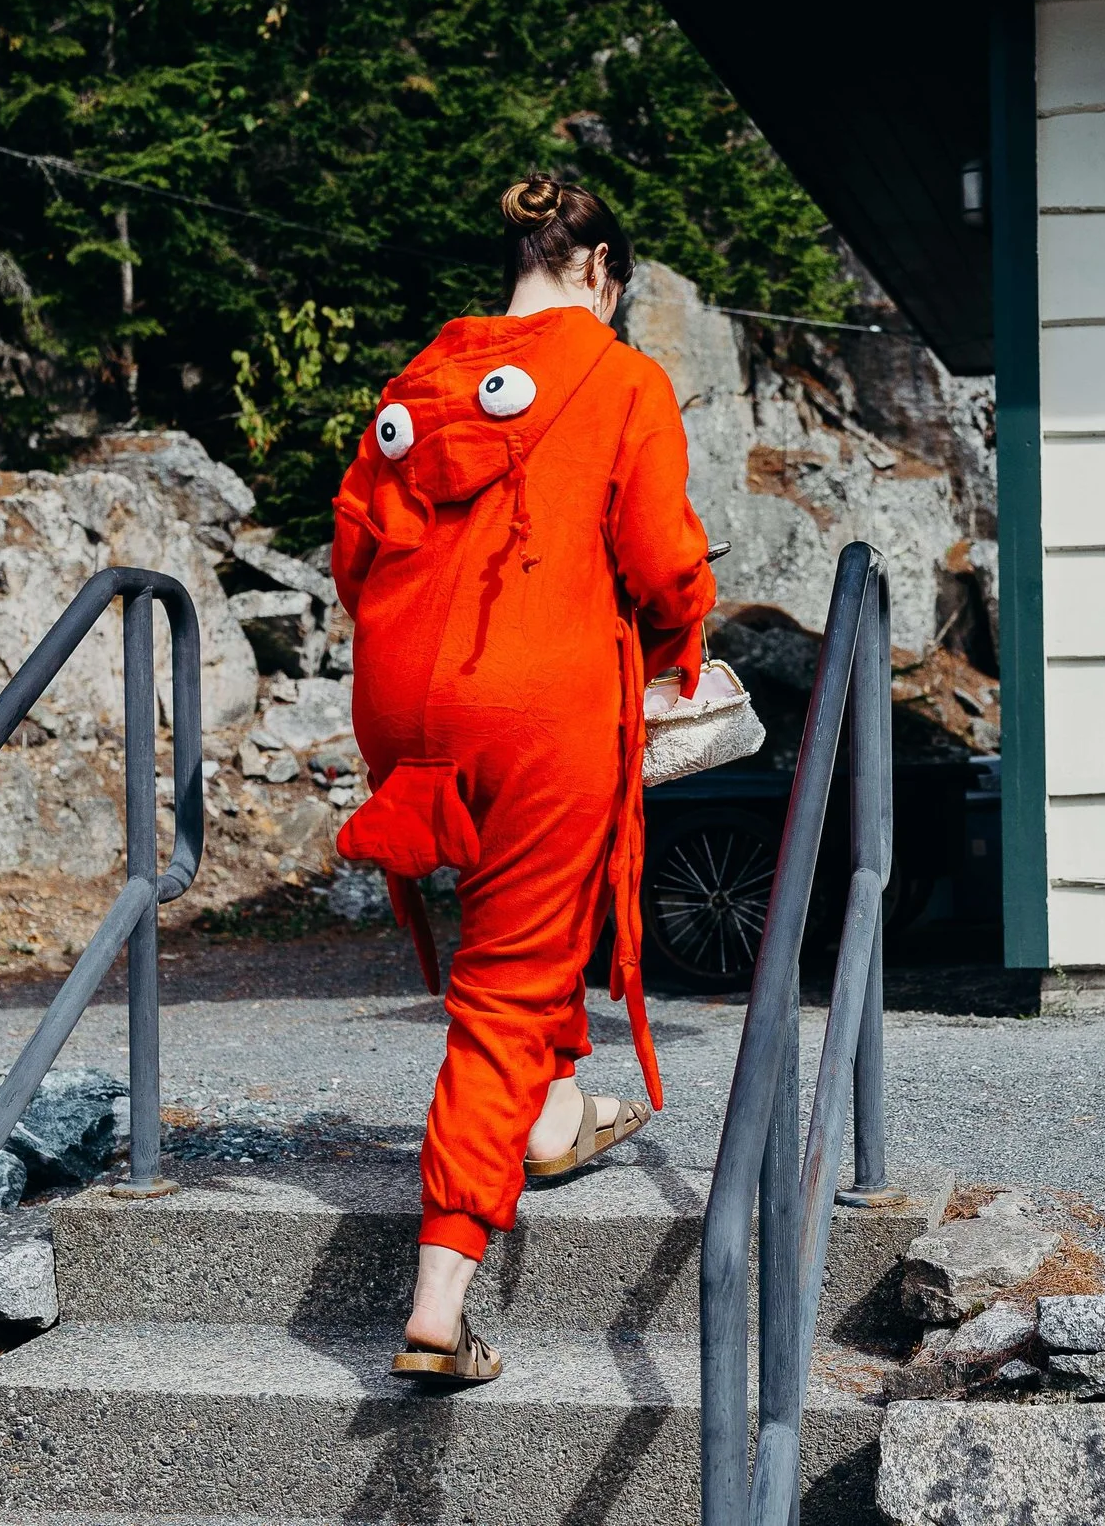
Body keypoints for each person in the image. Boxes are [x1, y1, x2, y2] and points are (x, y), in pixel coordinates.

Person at [330, 174, 717, 1384]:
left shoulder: (419, 383)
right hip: (538, 698)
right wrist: (675, 654)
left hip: (405, 705)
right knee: (506, 980)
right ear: (599, 268)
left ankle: (548, 1116)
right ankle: (441, 1292)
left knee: (514, 925)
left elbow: (354, 551)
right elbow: (664, 560)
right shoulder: (619, 377)